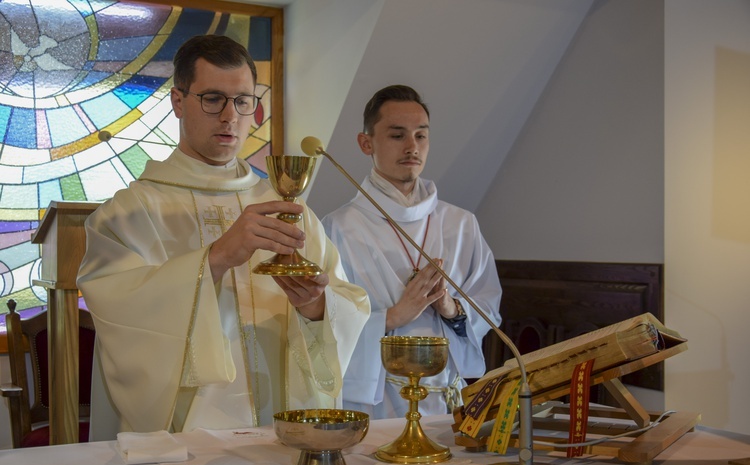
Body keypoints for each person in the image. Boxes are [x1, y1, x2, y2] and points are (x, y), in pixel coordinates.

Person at [77, 34, 370, 438]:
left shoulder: (283, 205)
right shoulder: (132, 212)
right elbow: (118, 313)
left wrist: (316, 307)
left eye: (243, 101)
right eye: (212, 99)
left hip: (280, 432)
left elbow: (346, 300)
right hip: (188, 436)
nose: (230, 117)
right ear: (178, 102)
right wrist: (214, 258)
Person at [322, 85, 502, 419]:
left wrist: (453, 310)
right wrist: (392, 317)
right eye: (397, 135)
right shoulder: (338, 229)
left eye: (421, 136)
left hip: (447, 399)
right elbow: (323, 323)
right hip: (375, 402)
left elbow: (489, 306)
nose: (411, 147)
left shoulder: (461, 225)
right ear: (366, 143)